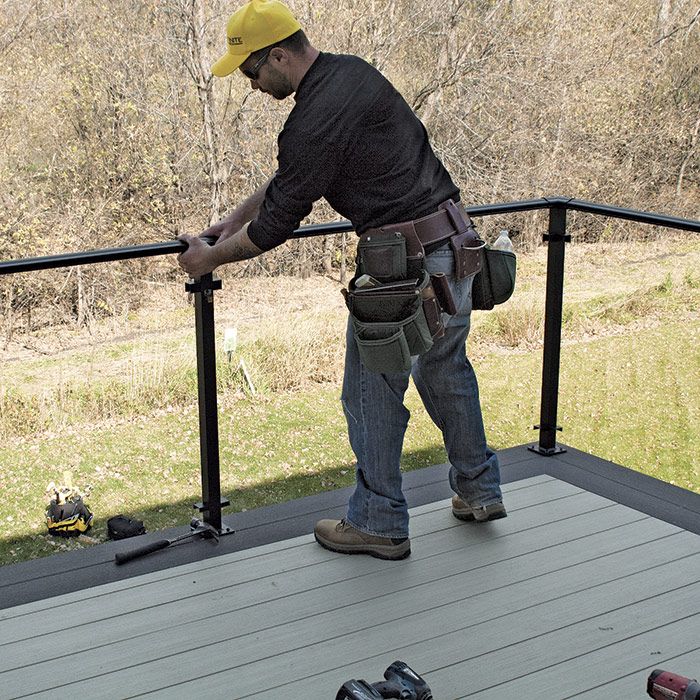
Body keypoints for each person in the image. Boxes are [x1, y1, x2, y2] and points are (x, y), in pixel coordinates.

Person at [177, 0, 506, 561]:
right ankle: (478, 490)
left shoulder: (315, 114)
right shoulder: (350, 74)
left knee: (370, 391)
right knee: (445, 370)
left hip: (404, 268)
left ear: (278, 56)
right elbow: (295, 177)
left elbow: (276, 225)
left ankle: (379, 522)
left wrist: (209, 260)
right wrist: (231, 220)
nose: (251, 86)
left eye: (252, 72)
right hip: (456, 246)